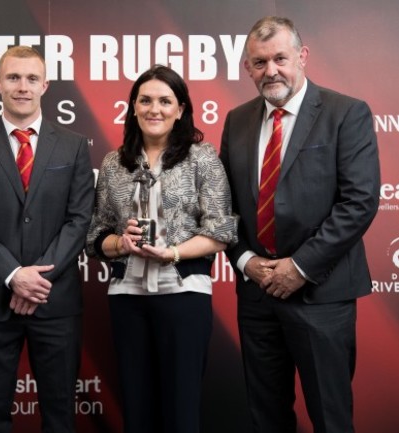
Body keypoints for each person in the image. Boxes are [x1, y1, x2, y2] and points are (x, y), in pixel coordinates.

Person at [219, 16, 380, 433]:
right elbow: (225, 206)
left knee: (330, 416)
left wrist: (300, 267)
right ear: (247, 68)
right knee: (266, 416)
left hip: (321, 295)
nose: (270, 71)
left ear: (302, 57)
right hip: (257, 295)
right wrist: (246, 260)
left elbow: (358, 202)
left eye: (280, 59)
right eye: (259, 62)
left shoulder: (346, 113)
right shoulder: (236, 120)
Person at [86, 65, 237, 433]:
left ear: (181, 109)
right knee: (137, 409)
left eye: (165, 101)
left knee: (180, 408)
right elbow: (95, 236)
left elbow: (221, 231)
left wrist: (171, 253)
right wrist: (121, 243)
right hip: (127, 298)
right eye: (146, 100)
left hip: (184, 295)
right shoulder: (112, 163)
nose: (155, 109)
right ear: (133, 107)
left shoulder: (202, 158)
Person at [0, 46, 94, 433]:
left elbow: (79, 220)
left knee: (60, 417)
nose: (22, 87)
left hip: (55, 301)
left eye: (32, 78)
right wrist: (14, 275)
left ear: (45, 85)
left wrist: (36, 280)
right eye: (13, 77)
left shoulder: (74, 146)